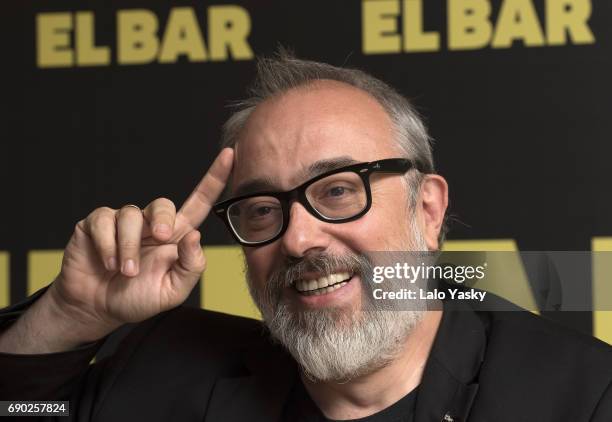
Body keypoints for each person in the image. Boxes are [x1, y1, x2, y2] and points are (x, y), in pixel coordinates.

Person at [1, 53, 611, 422]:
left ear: (426, 210)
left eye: (339, 190)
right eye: (264, 208)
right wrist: (67, 315)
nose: (298, 238)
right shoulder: (162, 368)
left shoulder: (583, 395)